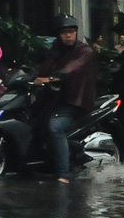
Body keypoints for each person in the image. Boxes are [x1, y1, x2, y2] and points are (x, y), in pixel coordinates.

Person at [34, 16, 99, 182]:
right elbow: (44, 67)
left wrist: (53, 77)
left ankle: (63, 174)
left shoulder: (84, 51)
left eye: (71, 32)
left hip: (75, 101)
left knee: (55, 127)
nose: (68, 35)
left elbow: (72, 68)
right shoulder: (56, 50)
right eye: (64, 32)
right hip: (55, 100)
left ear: (76, 33)